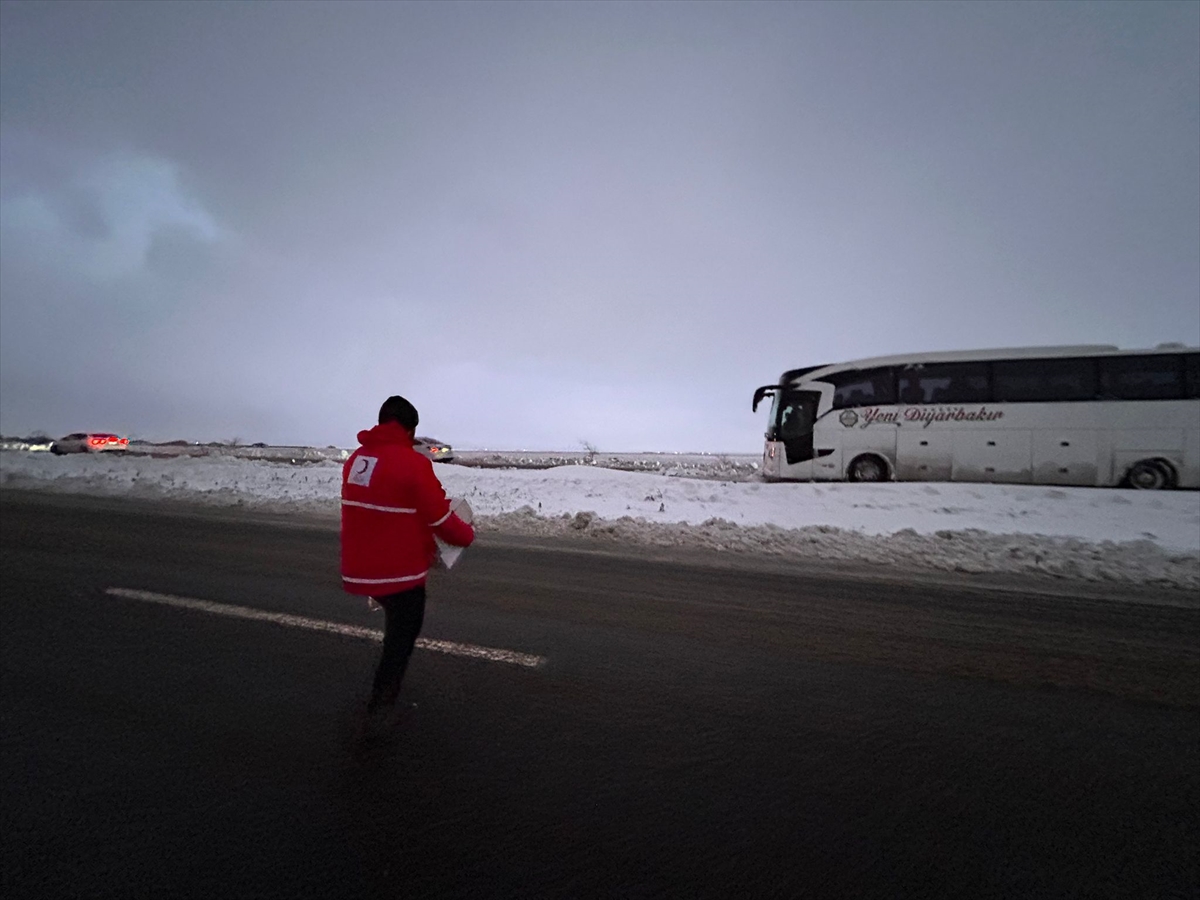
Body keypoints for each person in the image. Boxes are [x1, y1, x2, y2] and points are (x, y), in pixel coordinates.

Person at [341, 395, 475, 722]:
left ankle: (383, 697)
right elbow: (442, 521)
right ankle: (382, 704)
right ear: (410, 429)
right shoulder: (412, 464)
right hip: (397, 574)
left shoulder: (357, 459)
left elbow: (389, 508)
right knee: (402, 636)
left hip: (359, 568)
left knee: (395, 627)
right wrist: (468, 534)